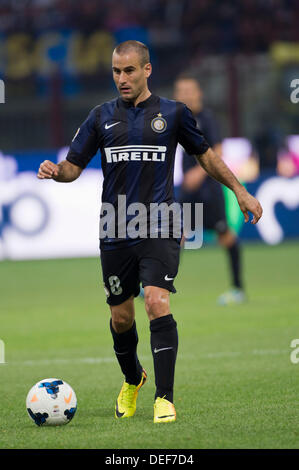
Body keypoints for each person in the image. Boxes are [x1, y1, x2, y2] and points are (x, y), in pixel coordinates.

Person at [37, 40, 263, 423]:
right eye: (115, 71)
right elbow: (73, 167)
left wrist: (239, 191)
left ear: (147, 70)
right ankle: (133, 379)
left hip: (161, 223)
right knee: (121, 318)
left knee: (156, 302)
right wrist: (56, 172)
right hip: (114, 226)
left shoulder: (174, 114)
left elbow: (206, 156)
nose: (121, 78)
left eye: (128, 71)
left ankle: (165, 397)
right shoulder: (100, 116)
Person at [174, 74, 246, 305]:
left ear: (199, 94)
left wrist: (197, 172)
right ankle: (160, 284)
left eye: (189, 91)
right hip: (187, 190)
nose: (185, 95)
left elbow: (218, 151)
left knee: (224, 235)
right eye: (181, 91)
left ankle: (237, 289)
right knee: (176, 235)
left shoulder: (207, 118)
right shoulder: (176, 119)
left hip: (209, 190)